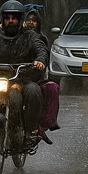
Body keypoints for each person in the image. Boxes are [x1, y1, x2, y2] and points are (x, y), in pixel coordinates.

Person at [0, 0, 48, 147]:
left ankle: (30, 132)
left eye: (14, 18)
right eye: (7, 18)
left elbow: (41, 48)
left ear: (20, 20)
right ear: (3, 19)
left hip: (22, 78)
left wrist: (40, 60)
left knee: (33, 91)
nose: (10, 21)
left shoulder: (30, 36)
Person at [22, 8, 61, 144]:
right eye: (28, 20)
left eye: (34, 21)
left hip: (33, 79)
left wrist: (39, 63)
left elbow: (43, 53)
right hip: (13, 78)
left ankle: (40, 127)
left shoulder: (40, 39)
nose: (31, 23)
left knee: (52, 88)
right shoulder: (14, 36)